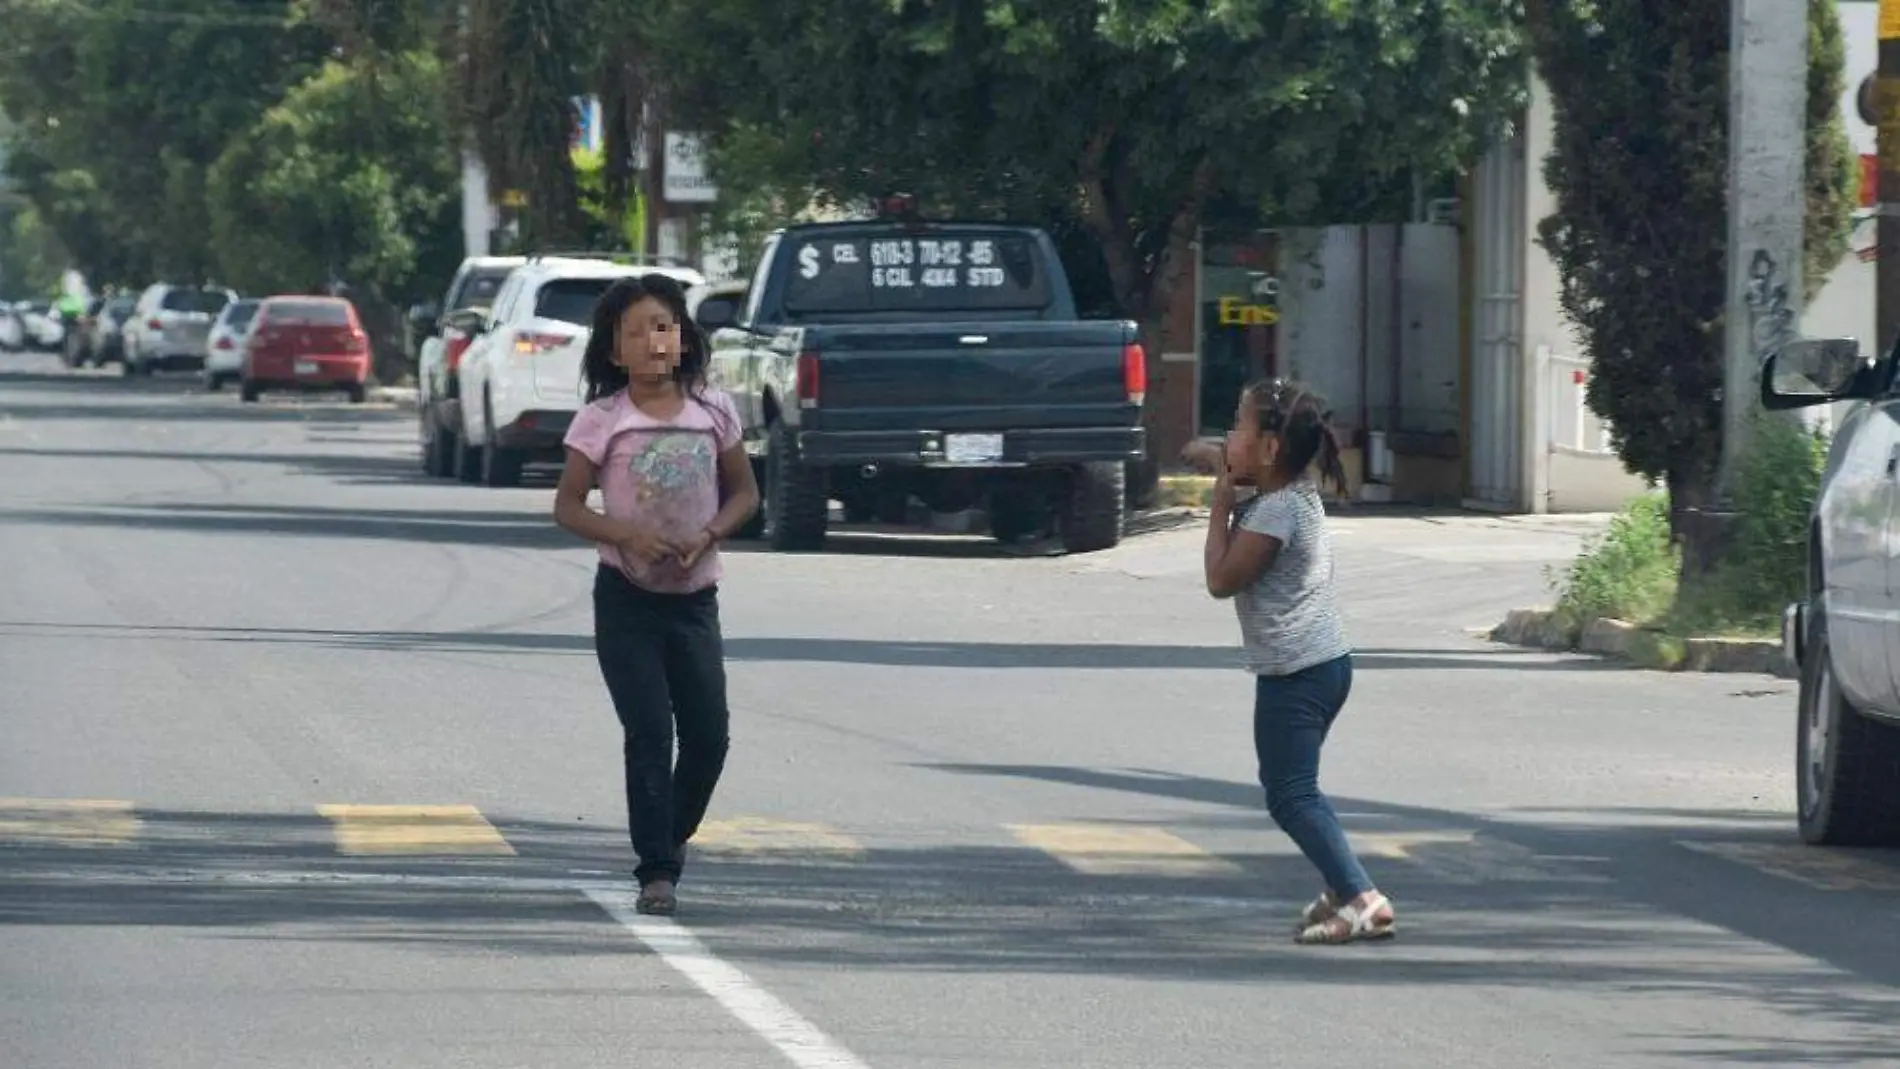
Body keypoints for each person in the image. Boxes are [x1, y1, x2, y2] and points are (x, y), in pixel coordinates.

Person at [552, 273, 761, 916]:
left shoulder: (714, 411)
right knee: (649, 731)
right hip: (626, 599)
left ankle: (669, 838)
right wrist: (625, 535)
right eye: (636, 331)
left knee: (709, 737)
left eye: (664, 327)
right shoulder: (602, 419)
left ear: (683, 339)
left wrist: (710, 533)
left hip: (695, 598)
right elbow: (567, 506)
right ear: (615, 351)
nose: (653, 341)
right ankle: (658, 870)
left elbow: (747, 495)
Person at [1188, 378, 1396, 945]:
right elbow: (1228, 462)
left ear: (1272, 449)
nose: (1231, 436)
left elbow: (1220, 580)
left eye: (1241, 426)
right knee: (1298, 787)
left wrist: (1218, 509)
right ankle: (1339, 883)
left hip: (1296, 673)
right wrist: (1218, 460)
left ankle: (1361, 898)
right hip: (1324, 664)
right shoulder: (1292, 495)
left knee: (1290, 792)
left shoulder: (1274, 513)